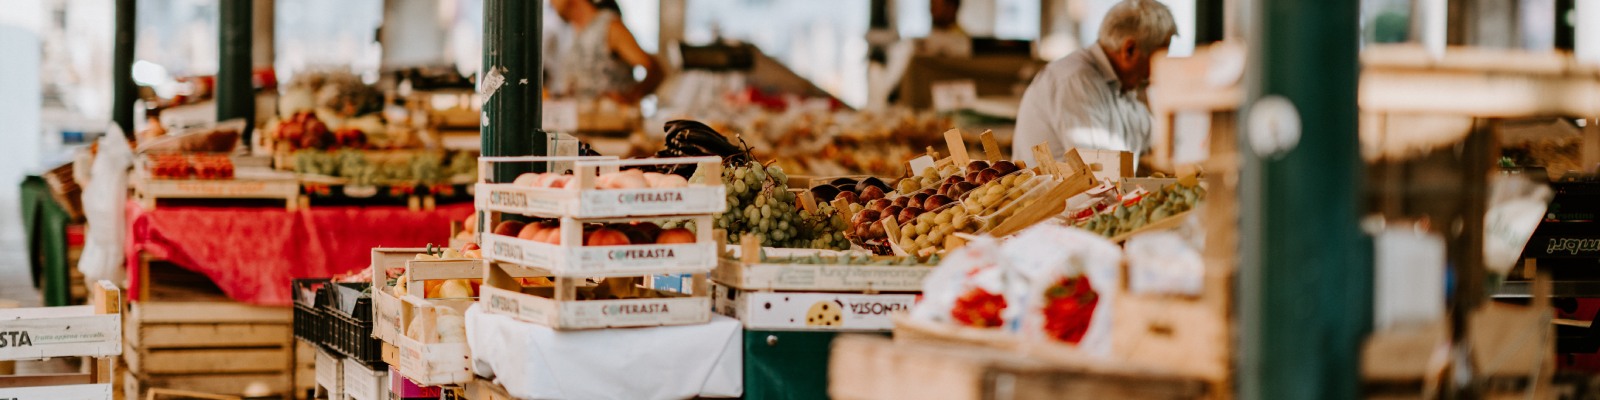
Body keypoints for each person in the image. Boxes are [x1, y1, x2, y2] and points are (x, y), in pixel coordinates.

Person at [1010, 0, 1176, 167]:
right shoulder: (1076, 81)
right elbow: (1101, 170)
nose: (1156, 72)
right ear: (1129, 50)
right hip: (1057, 193)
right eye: (1157, 59)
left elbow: (1156, 139)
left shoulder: (1121, 87)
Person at [547, 0, 663, 105]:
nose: (550, 3)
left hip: (613, 125)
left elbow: (655, 70)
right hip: (583, 124)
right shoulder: (571, 32)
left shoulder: (610, 26)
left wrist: (630, 97)